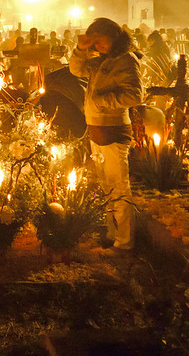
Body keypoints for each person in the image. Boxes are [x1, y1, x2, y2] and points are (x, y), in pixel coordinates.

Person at [70, 18, 143, 251]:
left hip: (113, 131)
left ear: (113, 36)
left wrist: (101, 101)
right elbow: (76, 70)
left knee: (118, 187)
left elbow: (135, 95)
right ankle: (111, 235)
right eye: (94, 41)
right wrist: (81, 49)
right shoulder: (102, 60)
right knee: (104, 186)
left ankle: (124, 242)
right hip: (96, 129)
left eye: (100, 39)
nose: (98, 45)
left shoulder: (125, 60)